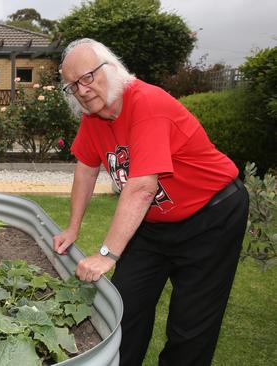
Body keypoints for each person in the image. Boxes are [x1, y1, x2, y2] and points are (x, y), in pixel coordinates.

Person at [53, 38, 249, 366]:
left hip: (211, 217)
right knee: (123, 309)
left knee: (190, 328)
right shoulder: (93, 120)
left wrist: (106, 254)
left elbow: (143, 187)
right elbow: (86, 169)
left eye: (87, 77)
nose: (82, 90)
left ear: (111, 68)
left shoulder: (146, 103)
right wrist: (73, 227)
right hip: (153, 223)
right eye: (73, 85)